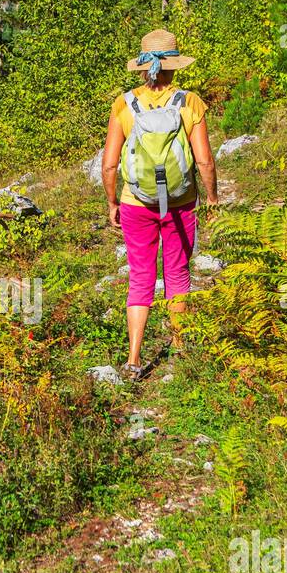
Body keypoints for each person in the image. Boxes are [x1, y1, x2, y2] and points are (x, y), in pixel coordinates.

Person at [101, 28, 219, 378]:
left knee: (140, 276)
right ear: (174, 66)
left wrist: (112, 203)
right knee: (178, 273)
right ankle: (180, 348)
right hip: (181, 202)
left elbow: (109, 164)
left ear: (141, 67)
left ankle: (134, 359)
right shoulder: (189, 101)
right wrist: (211, 198)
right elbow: (205, 161)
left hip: (136, 203)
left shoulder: (124, 103)